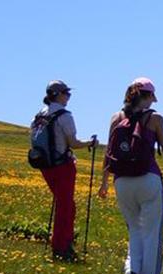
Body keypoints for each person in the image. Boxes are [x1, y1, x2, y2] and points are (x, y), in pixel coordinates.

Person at [98, 77, 163, 274]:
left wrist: (104, 183)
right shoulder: (155, 119)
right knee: (151, 235)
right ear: (147, 97)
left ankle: (132, 270)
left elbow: (108, 153)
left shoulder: (116, 118)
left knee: (134, 230)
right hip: (148, 179)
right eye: (152, 97)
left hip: (121, 182)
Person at [31, 80, 95, 262]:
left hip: (45, 165)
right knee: (66, 206)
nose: (68, 96)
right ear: (58, 95)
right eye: (66, 93)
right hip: (62, 165)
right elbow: (73, 143)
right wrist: (90, 143)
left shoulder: (38, 116)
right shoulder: (64, 115)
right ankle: (61, 247)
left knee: (64, 204)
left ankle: (62, 243)